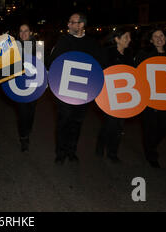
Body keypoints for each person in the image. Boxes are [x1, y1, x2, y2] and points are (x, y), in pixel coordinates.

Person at [47, 13, 103, 164]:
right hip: (64, 90)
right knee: (63, 122)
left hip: (83, 91)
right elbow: (52, 62)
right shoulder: (63, 41)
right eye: (69, 22)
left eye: (72, 22)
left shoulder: (91, 43)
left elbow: (99, 66)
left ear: (81, 25)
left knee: (77, 123)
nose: (68, 25)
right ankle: (60, 153)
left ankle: (72, 151)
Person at [135, 27, 166, 168]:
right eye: (155, 36)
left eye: (162, 35)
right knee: (150, 127)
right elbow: (138, 75)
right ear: (151, 40)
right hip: (149, 97)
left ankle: (151, 145)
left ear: (165, 38)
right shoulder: (144, 54)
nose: (159, 38)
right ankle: (151, 154)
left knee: (165, 127)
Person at [95, 28, 134, 163]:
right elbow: (101, 72)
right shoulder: (107, 53)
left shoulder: (129, 54)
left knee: (119, 125)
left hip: (124, 95)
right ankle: (101, 144)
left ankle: (113, 152)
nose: (129, 40)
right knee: (110, 123)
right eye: (126, 37)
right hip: (108, 94)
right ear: (117, 39)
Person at [16, 23, 39, 152]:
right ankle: (23, 137)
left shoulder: (38, 47)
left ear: (31, 33)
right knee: (22, 113)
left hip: (34, 85)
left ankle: (27, 129)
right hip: (19, 86)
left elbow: (43, 66)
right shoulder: (14, 48)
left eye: (26, 31)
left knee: (31, 111)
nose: (23, 33)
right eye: (21, 31)